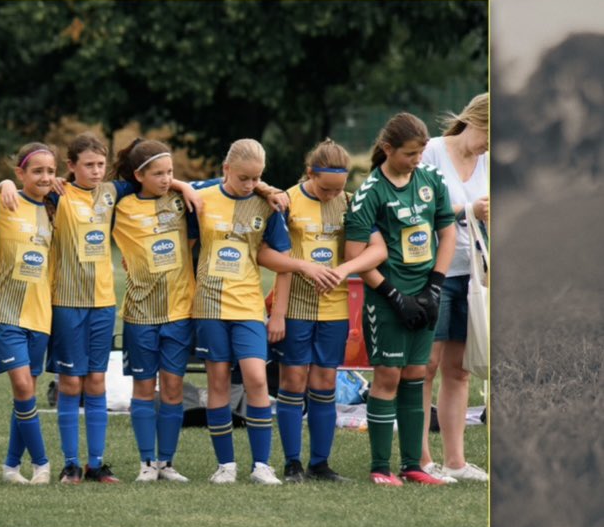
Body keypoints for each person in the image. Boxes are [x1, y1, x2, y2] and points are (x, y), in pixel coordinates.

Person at [0, 133, 202, 484]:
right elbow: (20, 187)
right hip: (67, 303)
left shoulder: (112, 193)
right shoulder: (56, 195)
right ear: (71, 167)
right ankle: (71, 464)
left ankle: (96, 464)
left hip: (104, 303)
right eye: (87, 165)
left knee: (96, 382)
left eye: (100, 165)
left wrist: (185, 185)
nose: (95, 171)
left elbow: (151, 174)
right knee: (70, 383)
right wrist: (3, 183)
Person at [191, 138, 342, 486]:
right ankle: (225, 465)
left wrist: (277, 314)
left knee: (257, 379)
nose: (249, 184)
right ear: (226, 169)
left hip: (247, 304)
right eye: (243, 178)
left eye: (256, 178)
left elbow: (280, 259)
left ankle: (262, 465)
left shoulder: (269, 206)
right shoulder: (202, 197)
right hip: (210, 305)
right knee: (217, 382)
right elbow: (172, 185)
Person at [345, 112, 457, 486]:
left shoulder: (431, 180)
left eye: (421, 152)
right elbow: (356, 256)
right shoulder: (370, 193)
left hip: (426, 294)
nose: (417, 160)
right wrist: (393, 295)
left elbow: (447, 232)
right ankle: (380, 468)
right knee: (388, 376)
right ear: (388, 149)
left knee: (417, 374)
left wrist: (436, 286)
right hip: (386, 299)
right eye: (410, 153)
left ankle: (413, 466)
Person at [267, 139, 388, 483]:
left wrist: (347, 268)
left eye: (338, 189)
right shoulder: (286, 202)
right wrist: (281, 306)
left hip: (334, 309)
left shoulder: (350, 202)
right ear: (310, 174)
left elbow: (378, 250)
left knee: (325, 382)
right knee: (293, 380)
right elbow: (270, 255)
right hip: (296, 308)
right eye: (325, 188)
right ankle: (292, 463)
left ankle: (320, 464)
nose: (332, 195)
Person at [109, 138, 198, 483]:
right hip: (139, 314)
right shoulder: (120, 204)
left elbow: (227, 186)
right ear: (139, 175)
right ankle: (147, 463)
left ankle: (167, 463)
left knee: (174, 389)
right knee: (144, 389)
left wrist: (182, 185)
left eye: (170, 172)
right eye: (158, 173)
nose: (165, 179)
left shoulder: (180, 201)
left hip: (179, 312)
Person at [0, 142, 58, 485]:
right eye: (37, 170)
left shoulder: (56, 204)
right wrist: (0, 186)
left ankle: (10, 466)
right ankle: (41, 463)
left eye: (51, 171)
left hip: (41, 314)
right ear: (19, 173)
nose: (45, 177)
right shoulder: (2, 202)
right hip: (6, 312)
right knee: (22, 387)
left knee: (27, 394)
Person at [418, 93, 490, 483]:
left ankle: (456, 462)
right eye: (488, 136)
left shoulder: (489, 162)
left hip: (474, 275)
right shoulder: (430, 152)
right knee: (425, 366)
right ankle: (422, 460)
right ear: (474, 119)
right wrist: (469, 211)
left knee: (459, 371)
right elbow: (416, 210)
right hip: (432, 271)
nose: (487, 147)